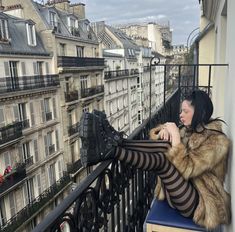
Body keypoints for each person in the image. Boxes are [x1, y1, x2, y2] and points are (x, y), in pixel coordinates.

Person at [79, 90, 230, 230]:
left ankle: (113, 150)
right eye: (181, 111)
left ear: (200, 112)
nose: (181, 115)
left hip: (201, 204)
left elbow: (186, 168)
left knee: (162, 161)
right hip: (180, 191)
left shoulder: (216, 141)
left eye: (185, 111)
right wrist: (164, 131)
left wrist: (176, 138)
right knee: (165, 145)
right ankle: (116, 141)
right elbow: (159, 142)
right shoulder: (191, 129)